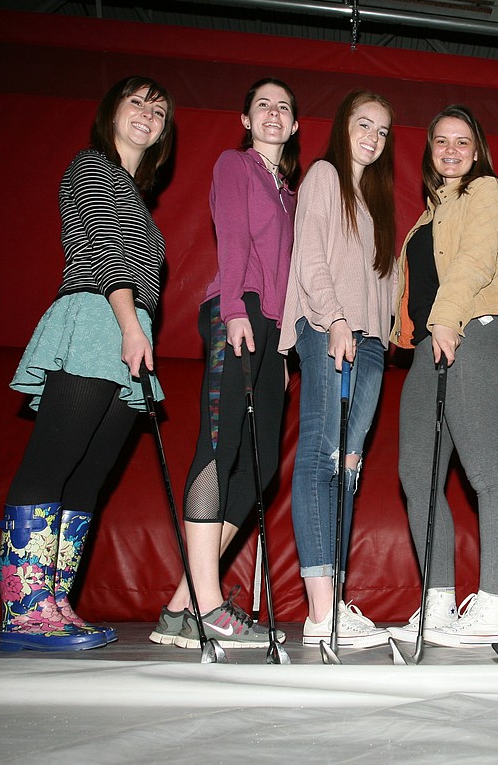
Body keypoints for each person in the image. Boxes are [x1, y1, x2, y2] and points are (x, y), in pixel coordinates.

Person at [0, 76, 175, 652]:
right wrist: (128, 325)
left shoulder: (132, 189)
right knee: (53, 460)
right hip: (99, 319)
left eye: (159, 109)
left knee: (89, 474)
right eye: (137, 102)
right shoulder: (93, 166)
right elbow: (102, 248)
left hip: (128, 329)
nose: (149, 113)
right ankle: (24, 610)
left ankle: (53, 602)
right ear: (111, 112)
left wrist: (136, 329)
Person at [147, 78, 300, 652]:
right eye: (263, 104)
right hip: (235, 309)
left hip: (271, 330)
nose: (273, 113)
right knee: (219, 447)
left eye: (284, 108)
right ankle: (210, 607)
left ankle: (182, 606)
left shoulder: (289, 190)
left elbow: (289, 275)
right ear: (245, 118)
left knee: (259, 470)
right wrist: (235, 310)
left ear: (293, 126)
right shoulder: (234, 166)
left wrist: (281, 346)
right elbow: (233, 241)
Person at [387, 105, 498, 648]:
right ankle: (438, 605)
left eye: (462, 142)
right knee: (415, 474)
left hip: (470, 332)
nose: (450, 150)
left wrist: (447, 318)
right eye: (440, 141)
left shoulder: (484, 191)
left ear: (477, 150)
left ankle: (493, 607)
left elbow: (473, 261)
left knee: (487, 469)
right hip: (427, 344)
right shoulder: (427, 215)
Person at [279, 89, 397, 649]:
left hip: (371, 342)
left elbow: (385, 277)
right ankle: (320, 611)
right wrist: (334, 320)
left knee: (348, 465)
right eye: (364, 124)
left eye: (383, 131)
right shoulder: (324, 176)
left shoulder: (376, 198)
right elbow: (310, 257)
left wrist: (389, 334)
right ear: (343, 124)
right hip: (332, 329)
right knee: (321, 453)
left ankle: (335, 600)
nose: (373, 137)